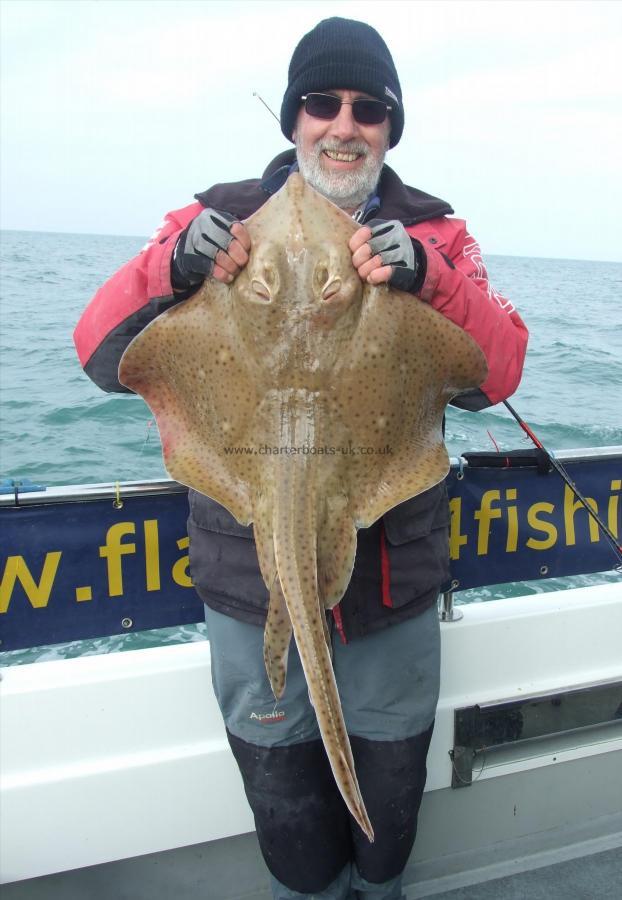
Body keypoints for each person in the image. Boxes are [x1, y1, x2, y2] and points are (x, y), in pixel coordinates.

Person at [74, 17, 528, 900]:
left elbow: (499, 370)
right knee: (284, 804)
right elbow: (98, 354)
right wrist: (172, 268)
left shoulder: (435, 233)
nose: (344, 125)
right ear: (293, 119)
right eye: (323, 103)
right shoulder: (211, 217)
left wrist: (430, 281)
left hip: (392, 591)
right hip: (250, 587)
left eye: (369, 109)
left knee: (389, 800)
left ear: (391, 129)